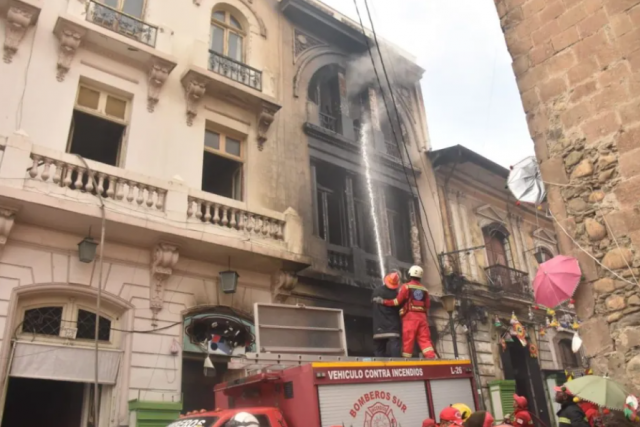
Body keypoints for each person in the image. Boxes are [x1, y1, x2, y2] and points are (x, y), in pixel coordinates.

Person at [373, 265, 436, 359]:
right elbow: (427, 305)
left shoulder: (406, 287)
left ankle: (407, 360)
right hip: (422, 318)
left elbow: (397, 302)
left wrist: (384, 301)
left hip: (410, 318)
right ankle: (431, 357)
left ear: (409, 274)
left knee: (408, 341)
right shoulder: (425, 290)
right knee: (425, 340)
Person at [371, 270, 402, 357]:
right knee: (395, 351)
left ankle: (379, 365)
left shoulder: (376, 291)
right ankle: (396, 365)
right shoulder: (396, 295)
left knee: (379, 351)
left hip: (378, 327)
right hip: (393, 328)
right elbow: (400, 307)